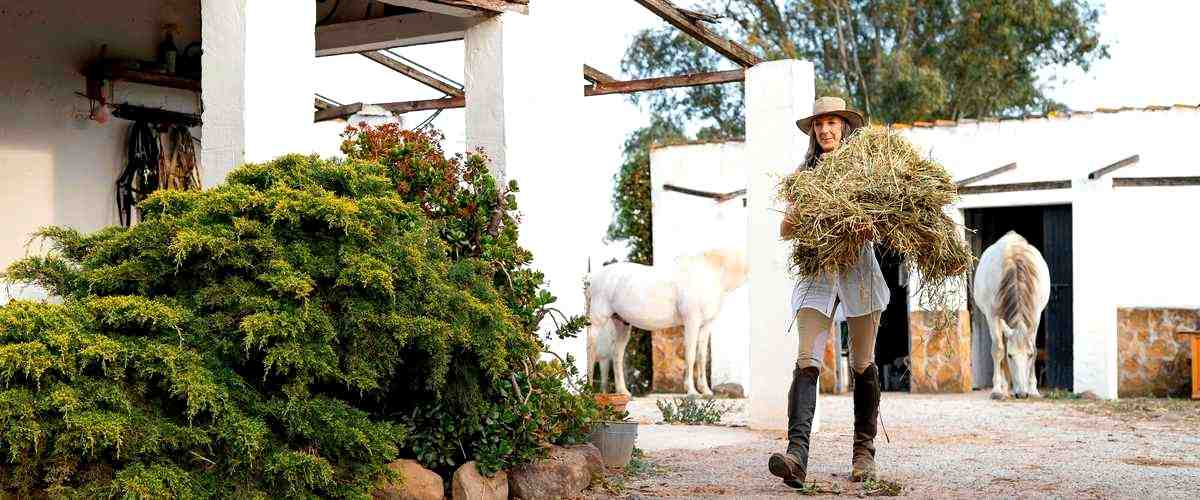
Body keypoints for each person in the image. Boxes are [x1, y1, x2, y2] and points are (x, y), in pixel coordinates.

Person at [769, 97, 889, 487]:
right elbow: (785, 229)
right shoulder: (803, 177)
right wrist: (810, 212)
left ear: (845, 127)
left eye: (832, 122)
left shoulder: (865, 173)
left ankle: (863, 454)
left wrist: (861, 224)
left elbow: (885, 225)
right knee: (807, 359)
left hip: (859, 274)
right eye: (818, 124)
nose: (824, 130)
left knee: (861, 363)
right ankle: (797, 456)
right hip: (816, 274)